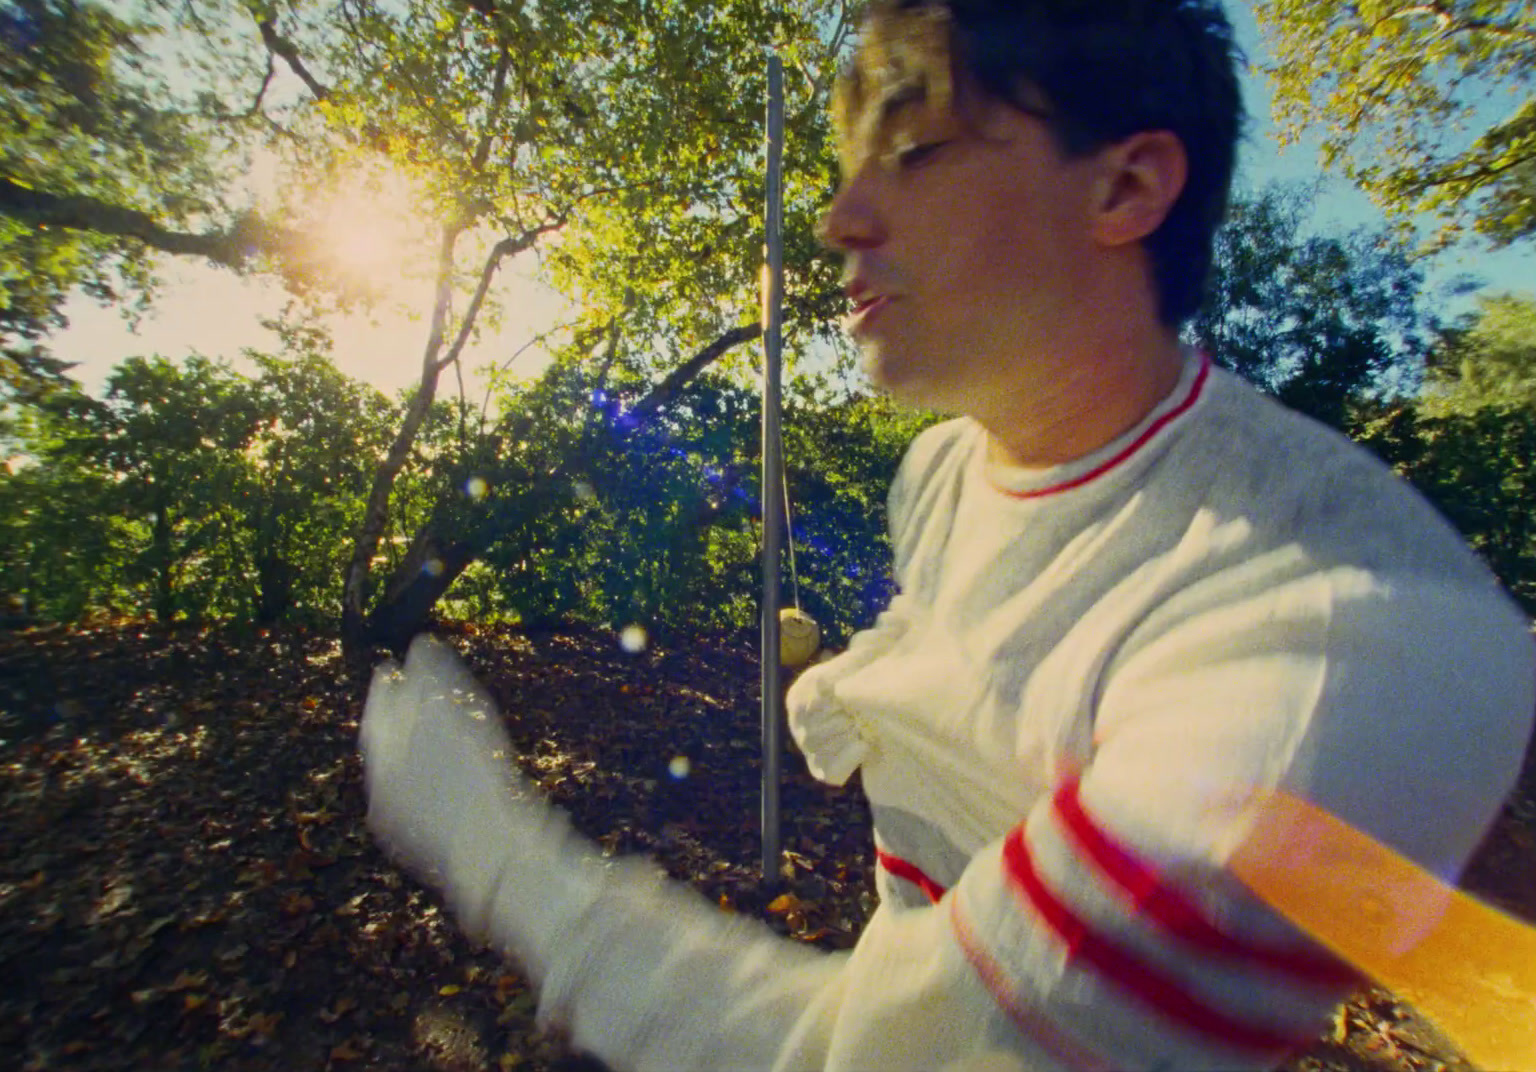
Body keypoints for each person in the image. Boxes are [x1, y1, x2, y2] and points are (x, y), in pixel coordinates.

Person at [358, 1, 1536, 1069]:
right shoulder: (945, 467)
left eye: (916, 154)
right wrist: (884, 683)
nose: (836, 220)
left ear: (1125, 188)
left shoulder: (1331, 641)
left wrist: (495, 851)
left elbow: (866, 1057)